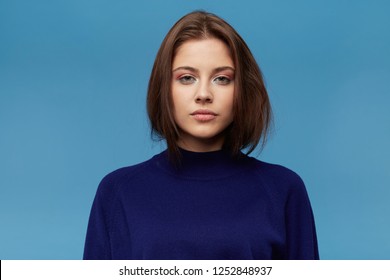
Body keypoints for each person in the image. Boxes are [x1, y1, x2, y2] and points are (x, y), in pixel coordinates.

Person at [83, 10, 319, 260]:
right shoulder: (118, 192)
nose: (204, 93)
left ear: (243, 89)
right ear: (164, 87)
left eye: (221, 79)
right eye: (187, 78)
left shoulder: (283, 190)